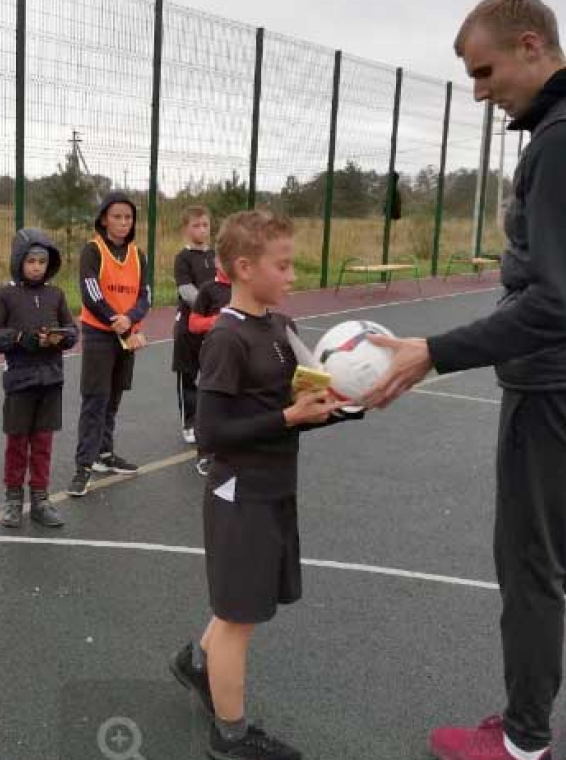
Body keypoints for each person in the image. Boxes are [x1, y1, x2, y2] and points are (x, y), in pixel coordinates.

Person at [365, 2, 566, 758]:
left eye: (485, 71)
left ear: (531, 45)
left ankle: (522, 741)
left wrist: (430, 351)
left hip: (565, 384)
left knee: (532, 562)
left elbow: (558, 301)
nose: (478, 92)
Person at [168, 209, 361, 760]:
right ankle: (229, 737)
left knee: (240, 604)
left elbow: (303, 404)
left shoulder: (282, 328)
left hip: (276, 486)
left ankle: (195, 664)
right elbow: (211, 434)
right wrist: (288, 419)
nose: (293, 274)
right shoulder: (226, 339)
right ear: (246, 269)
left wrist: (342, 407)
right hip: (240, 495)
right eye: (284, 265)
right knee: (238, 619)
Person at [0, 229, 76, 529]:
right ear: (19, 261)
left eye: (42, 261)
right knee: (17, 443)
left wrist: (60, 339)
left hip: (51, 381)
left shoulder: (56, 294)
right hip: (20, 382)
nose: (37, 266)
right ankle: (13, 500)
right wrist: (22, 338)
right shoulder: (6, 294)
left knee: (43, 443)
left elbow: (72, 331)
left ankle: (40, 499)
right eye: (31, 260)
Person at [68, 192, 151, 497]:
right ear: (104, 218)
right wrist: (113, 318)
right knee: (95, 398)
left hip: (126, 334)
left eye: (128, 217)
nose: (122, 222)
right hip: (100, 333)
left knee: (114, 396)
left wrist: (129, 319)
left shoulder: (137, 254)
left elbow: (146, 295)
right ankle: (83, 466)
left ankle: (104, 454)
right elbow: (91, 291)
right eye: (117, 216)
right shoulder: (93, 250)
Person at [171, 205, 216, 445]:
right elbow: (186, 290)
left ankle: (209, 419)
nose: (202, 229)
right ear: (186, 229)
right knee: (187, 376)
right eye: (196, 225)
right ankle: (189, 422)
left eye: (205, 225)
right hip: (188, 327)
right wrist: (209, 306)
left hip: (214, 328)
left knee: (214, 375)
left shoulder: (216, 256)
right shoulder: (183, 258)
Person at [187, 264, 232, 476]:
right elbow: (193, 324)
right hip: (213, 354)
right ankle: (205, 454)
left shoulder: (248, 287)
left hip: (241, 353)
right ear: (217, 262)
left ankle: (231, 450)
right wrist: (217, 320)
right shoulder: (208, 289)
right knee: (211, 404)